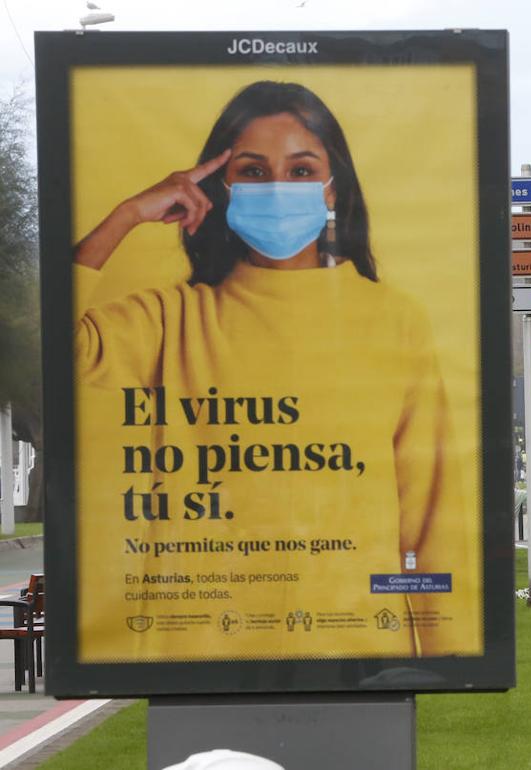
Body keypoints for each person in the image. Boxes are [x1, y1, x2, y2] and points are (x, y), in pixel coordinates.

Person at [72, 80, 448, 656]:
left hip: (357, 651)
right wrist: (126, 214)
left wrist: (441, 659)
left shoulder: (395, 320)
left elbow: (430, 520)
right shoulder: (173, 319)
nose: (276, 187)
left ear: (331, 188)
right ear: (220, 188)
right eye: (252, 170)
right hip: (198, 652)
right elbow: (52, 345)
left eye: (300, 170)